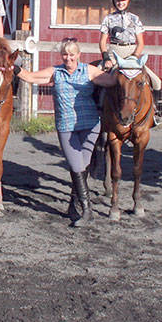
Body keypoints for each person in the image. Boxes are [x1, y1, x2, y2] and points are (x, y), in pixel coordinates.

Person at [17, 37, 119, 227]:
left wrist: (119, 66)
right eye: (65, 54)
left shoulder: (89, 70)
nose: (68, 58)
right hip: (66, 127)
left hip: (90, 126)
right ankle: (87, 210)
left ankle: (75, 205)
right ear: (61, 55)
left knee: (82, 166)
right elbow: (31, 77)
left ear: (78, 55)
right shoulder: (55, 72)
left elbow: (112, 81)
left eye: (72, 55)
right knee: (77, 166)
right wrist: (13, 68)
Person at [98, 0, 162, 91]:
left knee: (156, 82)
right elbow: (102, 41)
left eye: (123, 0)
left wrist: (135, 56)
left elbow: (141, 43)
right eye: (117, 0)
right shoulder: (108, 18)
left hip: (131, 53)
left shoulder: (135, 19)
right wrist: (106, 58)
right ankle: (96, 105)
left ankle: (153, 106)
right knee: (95, 78)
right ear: (114, 1)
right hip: (114, 53)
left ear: (128, 1)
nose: (120, 3)